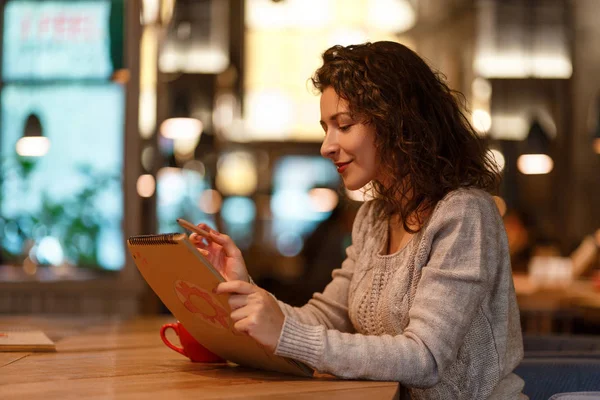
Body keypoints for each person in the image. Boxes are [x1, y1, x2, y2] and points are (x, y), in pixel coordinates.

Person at [190, 41, 525, 399]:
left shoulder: (464, 213)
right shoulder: (374, 218)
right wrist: (247, 292)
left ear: (398, 122)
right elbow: (324, 317)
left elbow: (425, 357)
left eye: (344, 125)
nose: (327, 146)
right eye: (326, 128)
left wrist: (286, 335)